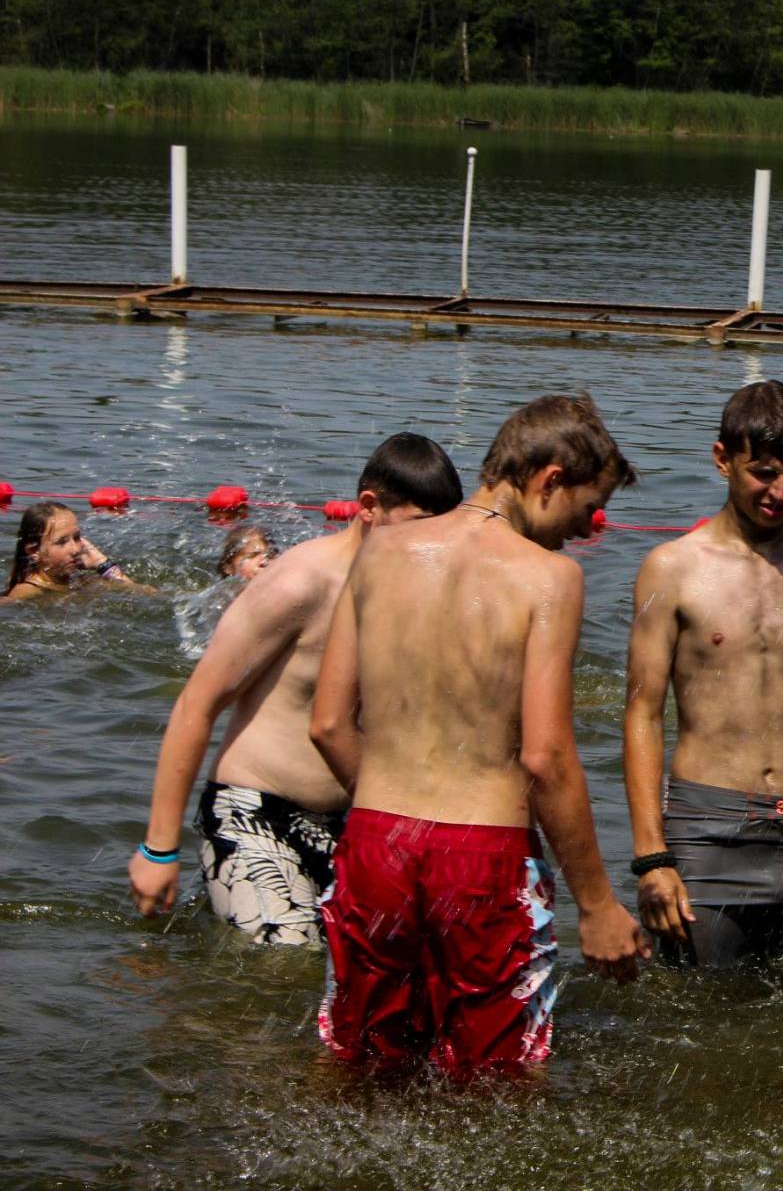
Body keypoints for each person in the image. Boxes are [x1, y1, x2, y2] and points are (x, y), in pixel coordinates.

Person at [310, 393, 649, 1077]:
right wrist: (597, 904)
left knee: (359, 1063)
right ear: (550, 479)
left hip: (375, 842)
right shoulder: (549, 578)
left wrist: (397, 817)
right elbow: (545, 757)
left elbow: (327, 723)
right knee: (499, 1084)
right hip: (482, 858)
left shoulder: (378, 549)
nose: (586, 531)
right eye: (588, 509)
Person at [127, 435, 463, 944]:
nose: (432, 542)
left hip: (350, 822)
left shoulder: (420, 590)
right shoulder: (300, 582)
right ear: (368, 506)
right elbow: (198, 704)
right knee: (282, 966)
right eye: (420, 525)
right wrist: (158, 848)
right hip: (253, 812)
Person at [624, 380, 783, 966]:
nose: (781, 492)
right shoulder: (672, 568)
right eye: (764, 473)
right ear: (723, 460)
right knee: (695, 1004)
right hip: (706, 829)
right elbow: (642, 715)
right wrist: (652, 856)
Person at [6, 502, 143, 600]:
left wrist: (103, 563)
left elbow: (143, 594)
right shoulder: (28, 591)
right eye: (61, 542)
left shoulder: (79, 580)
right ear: (34, 551)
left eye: (76, 537)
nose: (76, 549)